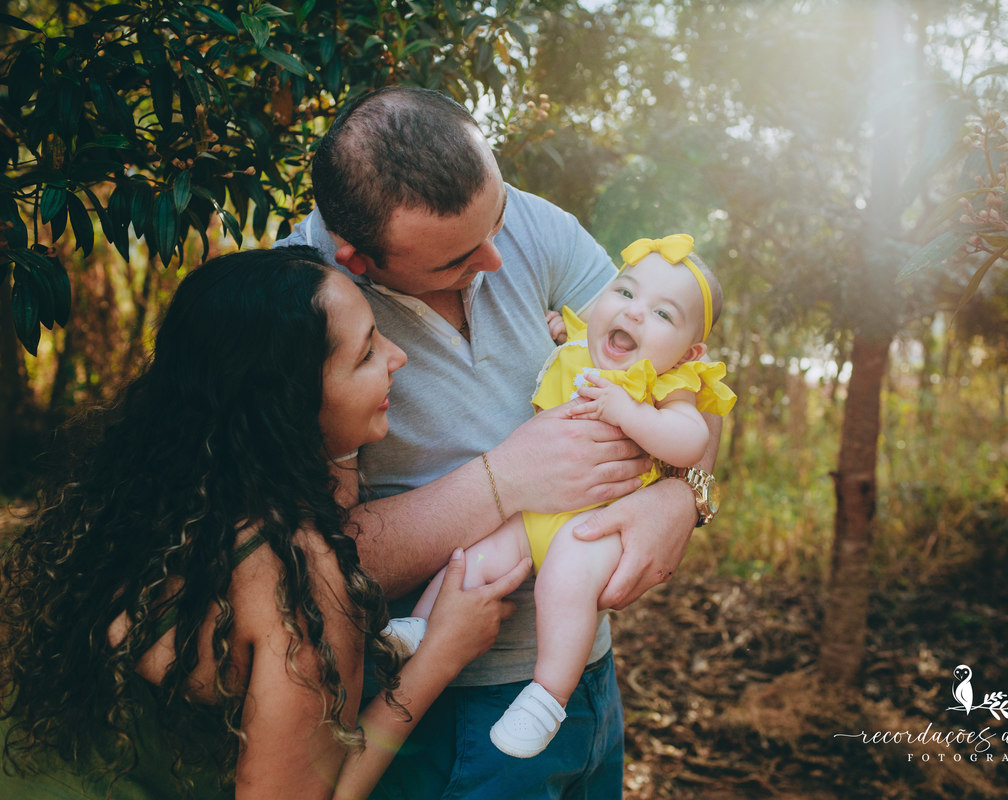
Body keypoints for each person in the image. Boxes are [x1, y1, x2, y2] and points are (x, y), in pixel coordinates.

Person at [279, 86, 725, 796]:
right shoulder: (288, 309)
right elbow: (299, 562)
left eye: (499, 218)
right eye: (457, 258)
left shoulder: (525, 224)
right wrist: (505, 480)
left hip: (589, 677)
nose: (496, 258)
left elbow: (684, 370)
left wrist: (684, 498)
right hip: (442, 706)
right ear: (357, 261)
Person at [0, 247, 530, 800]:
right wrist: (438, 657)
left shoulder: (146, 498)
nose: (396, 356)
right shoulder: (293, 574)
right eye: (366, 353)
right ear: (290, 406)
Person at [390, 234, 736, 758]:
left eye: (663, 315)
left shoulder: (668, 385)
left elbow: (692, 441)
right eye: (625, 294)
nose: (636, 314)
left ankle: (548, 697)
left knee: (563, 583)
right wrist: (560, 332)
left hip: (598, 520)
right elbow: (573, 338)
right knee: (475, 556)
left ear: (689, 353)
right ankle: (419, 626)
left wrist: (631, 414)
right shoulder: (578, 346)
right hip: (535, 507)